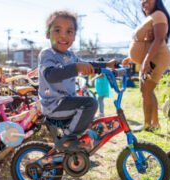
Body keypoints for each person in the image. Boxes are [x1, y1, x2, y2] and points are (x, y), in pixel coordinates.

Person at [38, 10, 117, 151]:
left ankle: (78, 153)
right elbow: (51, 75)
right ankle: (67, 140)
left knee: (87, 111)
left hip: (66, 101)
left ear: (74, 36)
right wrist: (75, 68)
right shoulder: (47, 54)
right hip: (54, 105)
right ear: (47, 34)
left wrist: (106, 65)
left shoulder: (70, 55)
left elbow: (87, 64)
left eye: (69, 31)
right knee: (90, 104)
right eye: (57, 30)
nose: (63, 35)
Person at [123, 0, 170, 131]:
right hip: (149, 58)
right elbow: (147, 42)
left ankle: (147, 125)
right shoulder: (152, 17)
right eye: (142, 2)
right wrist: (132, 58)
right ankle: (154, 124)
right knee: (147, 91)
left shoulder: (159, 15)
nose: (144, 4)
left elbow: (159, 39)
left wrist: (145, 61)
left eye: (147, 1)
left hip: (156, 58)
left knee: (146, 90)